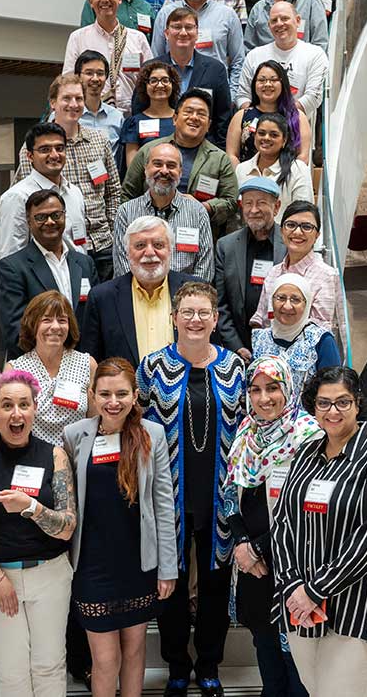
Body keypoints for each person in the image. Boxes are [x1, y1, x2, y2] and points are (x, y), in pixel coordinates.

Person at [269, 367, 367, 697]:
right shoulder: (305, 455)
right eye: (324, 403)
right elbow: (284, 522)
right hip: (304, 609)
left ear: (358, 404)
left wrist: (316, 589)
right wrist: (293, 585)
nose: (333, 411)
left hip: (360, 610)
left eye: (342, 402)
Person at [137, 281, 247, 697]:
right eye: (188, 312)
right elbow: (140, 429)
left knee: (216, 586)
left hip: (221, 496)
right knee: (173, 586)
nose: (196, 319)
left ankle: (210, 664)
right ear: (174, 318)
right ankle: (178, 666)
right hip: (171, 499)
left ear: (215, 319)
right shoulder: (151, 367)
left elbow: (245, 429)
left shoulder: (235, 369)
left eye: (204, 313)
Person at [64, 359, 178, 697]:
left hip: (137, 564)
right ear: (93, 395)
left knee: (135, 651)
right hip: (92, 566)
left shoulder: (151, 435)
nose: (113, 402)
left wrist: (167, 568)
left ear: (135, 395)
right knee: (105, 659)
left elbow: (163, 504)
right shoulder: (75, 436)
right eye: (105, 394)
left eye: (122, 394)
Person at [223, 356, 322, 697]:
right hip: (253, 566)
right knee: (263, 642)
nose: (264, 398)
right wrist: (241, 544)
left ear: (288, 389)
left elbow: (308, 512)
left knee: (296, 655)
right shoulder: (245, 433)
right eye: (255, 390)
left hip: (293, 564)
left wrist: (258, 547)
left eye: (273, 388)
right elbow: (229, 494)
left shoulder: (310, 437)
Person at [0, 370, 77, 697]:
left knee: (49, 666)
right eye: (7, 405)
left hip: (50, 576)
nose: (16, 413)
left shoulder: (54, 455)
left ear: (35, 408)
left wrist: (30, 507)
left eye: (24, 404)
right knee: (9, 672)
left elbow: (67, 527)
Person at [18, 73, 122, 281]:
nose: (73, 104)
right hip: (62, 247)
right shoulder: (34, 149)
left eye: (79, 98)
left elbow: (113, 191)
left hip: (103, 246)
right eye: (66, 98)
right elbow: (28, 201)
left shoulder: (99, 141)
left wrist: (110, 231)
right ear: (53, 103)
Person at [0, 122, 87, 319]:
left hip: (75, 291)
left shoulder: (75, 193)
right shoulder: (17, 197)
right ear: (30, 156)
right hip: (38, 297)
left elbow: (80, 243)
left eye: (59, 148)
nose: (54, 155)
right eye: (45, 149)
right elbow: (11, 257)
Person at [79, 215, 198, 367]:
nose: (149, 252)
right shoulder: (102, 298)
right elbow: (91, 362)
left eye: (158, 245)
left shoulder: (195, 291)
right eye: (140, 245)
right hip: (126, 390)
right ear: (127, 252)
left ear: (170, 250)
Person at [123, 89, 241, 238]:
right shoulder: (149, 151)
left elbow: (231, 201)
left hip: (195, 235)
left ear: (209, 125)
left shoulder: (219, 159)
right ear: (174, 119)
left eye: (201, 114)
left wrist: (203, 207)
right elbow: (128, 194)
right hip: (148, 234)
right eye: (188, 111)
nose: (194, 117)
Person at [0, 190, 96, 359]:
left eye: (56, 215)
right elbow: (14, 330)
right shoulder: (13, 267)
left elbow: (94, 320)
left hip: (83, 364)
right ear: (29, 221)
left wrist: (83, 361)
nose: (50, 222)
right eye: (41, 217)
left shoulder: (84, 263)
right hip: (38, 368)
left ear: (65, 216)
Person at [3, 291, 97, 444]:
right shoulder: (15, 370)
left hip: (79, 456)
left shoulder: (88, 364)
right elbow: (8, 428)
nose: (55, 327)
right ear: (33, 324)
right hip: (33, 461)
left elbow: (95, 422)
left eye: (62, 320)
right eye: (46, 320)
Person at [114, 143, 216, 282]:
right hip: (138, 297)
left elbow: (204, 267)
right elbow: (123, 267)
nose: (164, 171)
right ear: (145, 169)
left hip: (185, 298)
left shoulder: (197, 212)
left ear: (180, 172)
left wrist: (187, 299)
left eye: (171, 166)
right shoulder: (126, 212)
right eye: (157, 164)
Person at [252, 202, 345, 349]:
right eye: (290, 225)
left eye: (306, 227)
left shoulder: (326, 275)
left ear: (317, 235)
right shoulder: (274, 273)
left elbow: (321, 331)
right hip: (269, 360)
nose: (297, 232)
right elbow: (261, 319)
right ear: (282, 231)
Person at [214, 176, 287, 360]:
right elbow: (221, 304)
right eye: (248, 203)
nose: (253, 210)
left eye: (261, 203)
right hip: (237, 350)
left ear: (276, 207)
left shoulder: (289, 244)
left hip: (282, 349)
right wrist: (236, 347)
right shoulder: (226, 246)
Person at [139, 8, 234, 147]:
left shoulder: (216, 69)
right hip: (158, 146)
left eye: (189, 27)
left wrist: (217, 152)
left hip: (203, 148)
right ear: (166, 33)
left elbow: (223, 117)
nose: (183, 32)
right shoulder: (151, 68)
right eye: (176, 27)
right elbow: (139, 108)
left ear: (197, 33)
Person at [151, 0, 246, 93]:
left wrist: (231, 96)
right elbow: (156, 58)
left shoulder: (227, 15)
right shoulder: (166, 14)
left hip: (215, 92)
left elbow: (238, 61)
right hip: (171, 93)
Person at [62, 0, 154, 109]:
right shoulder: (78, 38)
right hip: (93, 114)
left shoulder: (137, 38)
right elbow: (69, 81)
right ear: (91, 2)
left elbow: (150, 78)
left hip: (130, 115)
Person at [236, 1, 329, 121]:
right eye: (274, 20)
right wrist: (259, 121)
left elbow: (313, 97)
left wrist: (279, 122)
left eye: (285, 18)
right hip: (258, 132)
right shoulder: (254, 56)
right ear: (269, 25)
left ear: (298, 21)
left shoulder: (315, 54)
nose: (279, 24)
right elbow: (243, 96)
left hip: (298, 130)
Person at [252, 274, 341, 388]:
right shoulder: (260, 339)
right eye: (281, 298)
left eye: (295, 300)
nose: (287, 306)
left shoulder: (321, 341)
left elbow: (333, 390)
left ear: (306, 304)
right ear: (272, 301)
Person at [228, 60, 313, 166]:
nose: (267, 84)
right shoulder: (241, 116)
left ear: (283, 83)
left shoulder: (298, 116)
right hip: (248, 179)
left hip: (286, 179)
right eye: (262, 80)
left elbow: (303, 157)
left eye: (273, 80)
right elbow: (232, 155)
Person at [236, 112, 314, 212]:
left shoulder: (298, 169)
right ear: (255, 136)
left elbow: (304, 212)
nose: (266, 138)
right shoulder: (241, 169)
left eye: (274, 135)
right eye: (261, 133)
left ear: (284, 141)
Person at [120, 60, 178, 167]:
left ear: (173, 85)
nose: (160, 85)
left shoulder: (182, 120)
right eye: (153, 80)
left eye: (165, 80)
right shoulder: (134, 123)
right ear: (145, 86)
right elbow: (132, 169)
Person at [73, 51, 126, 147]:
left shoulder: (117, 118)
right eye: (89, 73)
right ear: (78, 76)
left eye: (100, 73)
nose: (95, 79)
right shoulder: (65, 115)